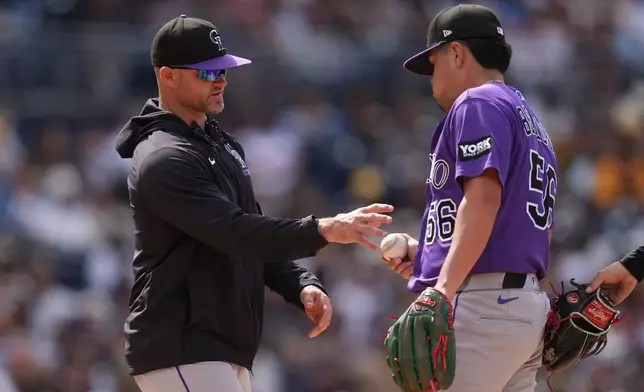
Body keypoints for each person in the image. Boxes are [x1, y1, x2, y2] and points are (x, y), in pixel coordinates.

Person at [114, 15, 394, 392]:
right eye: (207, 73)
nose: (221, 81)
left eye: (223, 71)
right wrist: (324, 229)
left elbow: (253, 229)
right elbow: (236, 233)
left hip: (220, 345)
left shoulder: (221, 145)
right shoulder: (164, 157)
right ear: (168, 76)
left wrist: (298, 283)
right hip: (180, 342)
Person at [381, 4, 557, 392]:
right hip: (519, 307)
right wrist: (430, 256)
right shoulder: (529, 117)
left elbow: (482, 201)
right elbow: (521, 229)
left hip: (483, 306)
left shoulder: (478, 102)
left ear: (456, 53)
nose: (431, 80)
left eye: (433, 64)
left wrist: (443, 288)